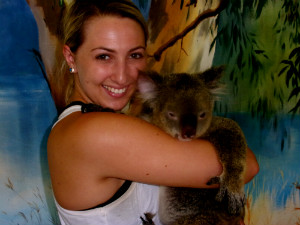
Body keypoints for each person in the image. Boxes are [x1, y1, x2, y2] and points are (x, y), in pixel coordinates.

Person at [47, 0, 259, 224]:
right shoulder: (94, 131)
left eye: (135, 55)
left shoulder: (82, 123)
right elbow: (249, 166)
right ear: (71, 57)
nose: (122, 76)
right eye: (104, 56)